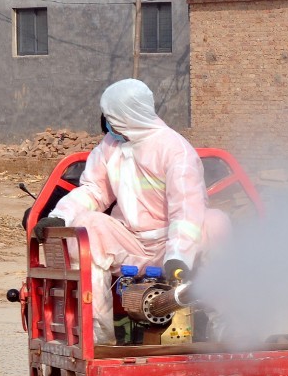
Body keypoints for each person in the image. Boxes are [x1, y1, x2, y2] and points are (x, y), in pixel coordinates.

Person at [32, 79, 226, 344]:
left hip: (175, 245)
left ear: (128, 115)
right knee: (87, 227)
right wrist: (60, 216)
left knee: (216, 223)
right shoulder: (109, 148)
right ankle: (98, 337)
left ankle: (226, 328)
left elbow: (187, 210)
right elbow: (94, 191)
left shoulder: (175, 150)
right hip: (131, 242)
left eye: (111, 117)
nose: (107, 123)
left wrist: (178, 256)